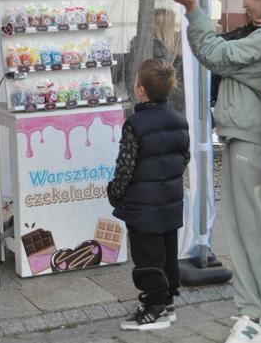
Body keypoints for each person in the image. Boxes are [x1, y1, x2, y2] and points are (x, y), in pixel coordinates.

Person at [168, 0, 261, 343]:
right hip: (245, 136)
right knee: (243, 230)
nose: (242, 3)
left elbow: (216, 54)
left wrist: (193, 10)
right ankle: (257, 315)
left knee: (254, 231)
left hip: (251, 140)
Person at [107, 58, 190, 331]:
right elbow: (184, 158)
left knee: (147, 256)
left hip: (143, 206)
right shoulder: (180, 120)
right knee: (167, 253)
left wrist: (115, 193)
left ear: (141, 90)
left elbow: (125, 166)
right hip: (169, 202)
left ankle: (154, 308)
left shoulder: (135, 124)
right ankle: (166, 303)